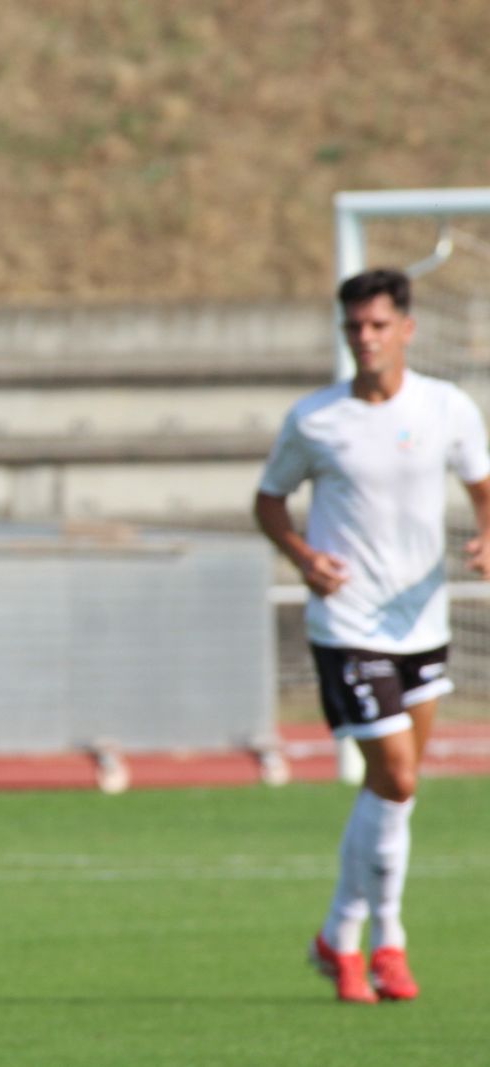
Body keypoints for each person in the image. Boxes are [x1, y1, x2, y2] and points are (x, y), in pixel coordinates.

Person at [254, 267, 490, 1004]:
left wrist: (487, 534)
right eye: (355, 326)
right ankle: (390, 940)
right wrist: (303, 557)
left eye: (378, 325)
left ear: (407, 329)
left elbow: (482, 484)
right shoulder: (316, 418)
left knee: (393, 793)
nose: (365, 338)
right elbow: (268, 503)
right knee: (398, 773)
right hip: (348, 623)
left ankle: (341, 935)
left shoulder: (447, 407)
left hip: (421, 621)